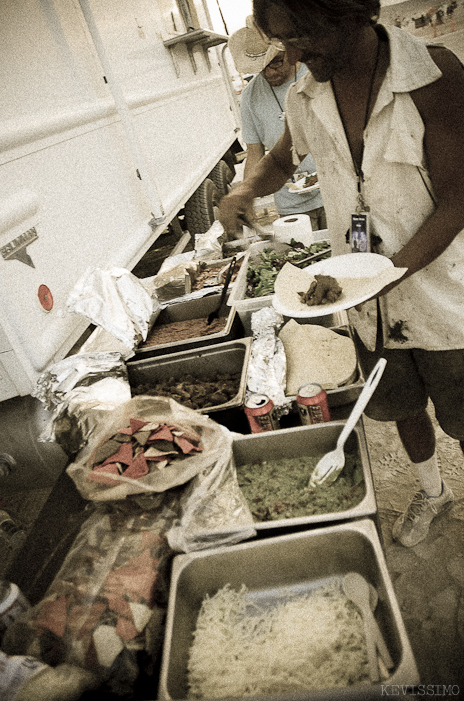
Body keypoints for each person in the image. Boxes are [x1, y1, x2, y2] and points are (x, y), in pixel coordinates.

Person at [219, 0, 464, 548]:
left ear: (351, 12)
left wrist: (386, 271)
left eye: (303, 34)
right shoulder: (309, 91)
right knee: (401, 403)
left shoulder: (432, 75)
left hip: (444, 291)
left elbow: (457, 200)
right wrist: (244, 188)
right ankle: (433, 490)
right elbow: (283, 160)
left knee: (463, 410)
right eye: (284, 40)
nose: (293, 53)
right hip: (366, 296)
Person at [228, 16, 326, 230]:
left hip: (333, 191)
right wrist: (247, 195)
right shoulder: (249, 97)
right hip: (290, 204)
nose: (270, 72)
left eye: (276, 62)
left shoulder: (315, 75)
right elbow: (255, 153)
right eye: (262, 68)